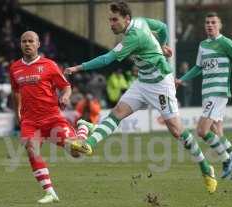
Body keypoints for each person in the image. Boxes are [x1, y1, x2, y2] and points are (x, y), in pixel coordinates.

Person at [65, 0, 217, 193]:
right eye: (109, 20)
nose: (111, 24)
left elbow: (107, 59)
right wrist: (163, 45)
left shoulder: (133, 37)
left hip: (161, 83)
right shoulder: (140, 21)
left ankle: (206, 167)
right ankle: (88, 143)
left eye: (114, 20)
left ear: (126, 19)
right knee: (117, 113)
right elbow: (162, 27)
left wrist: (78, 67)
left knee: (176, 130)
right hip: (143, 82)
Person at [9, 31, 91, 204]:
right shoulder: (15, 68)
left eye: (31, 41)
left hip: (52, 117)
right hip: (30, 120)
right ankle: (49, 192)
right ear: (20, 44)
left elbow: (66, 86)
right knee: (31, 148)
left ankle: (83, 128)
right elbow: (15, 91)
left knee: (76, 153)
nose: (27, 44)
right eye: (24, 41)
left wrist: (65, 96)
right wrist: (17, 112)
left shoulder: (49, 65)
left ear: (38, 44)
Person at [176, 12, 232, 180]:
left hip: (218, 92)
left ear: (220, 25)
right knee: (217, 131)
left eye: (213, 22)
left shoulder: (225, 42)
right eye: (207, 22)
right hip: (207, 93)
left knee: (201, 130)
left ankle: (227, 160)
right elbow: (198, 67)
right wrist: (181, 80)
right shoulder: (203, 45)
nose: (210, 25)